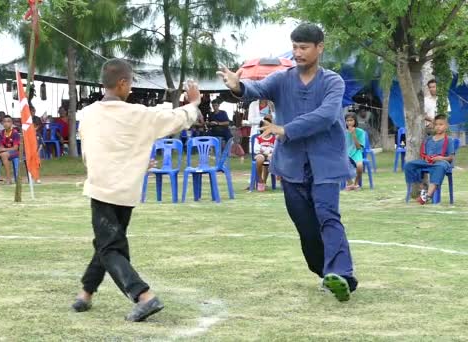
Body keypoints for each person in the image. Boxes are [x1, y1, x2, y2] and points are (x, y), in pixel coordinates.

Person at [218, 23, 358, 301]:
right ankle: (325, 272)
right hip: (292, 164)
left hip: (326, 162)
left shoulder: (333, 81)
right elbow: (255, 89)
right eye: (295, 47)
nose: (298, 52)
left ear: (319, 48)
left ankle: (343, 275)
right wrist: (238, 86)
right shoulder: (282, 79)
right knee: (305, 225)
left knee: (327, 215)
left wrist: (285, 129)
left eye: (304, 47)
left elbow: (327, 115)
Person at [73, 58, 200, 322]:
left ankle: (144, 295)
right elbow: (177, 119)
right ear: (122, 83)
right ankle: (86, 293)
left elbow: (91, 153)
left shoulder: (86, 115)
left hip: (102, 189)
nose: (130, 89)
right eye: (130, 83)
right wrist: (194, 103)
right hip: (126, 192)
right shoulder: (140, 115)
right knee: (107, 243)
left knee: (110, 247)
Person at [404, 115, 455, 205]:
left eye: (441, 124)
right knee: (409, 165)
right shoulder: (428, 139)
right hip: (427, 162)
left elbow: (451, 158)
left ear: (446, 126)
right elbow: (424, 153)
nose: (438, 127)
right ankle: (422, 188)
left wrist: (441, 158)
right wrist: (426, 158)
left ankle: (427, 196)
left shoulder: (449, 140)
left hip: (441, 162)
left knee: (440, 166)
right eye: (436, 124)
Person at [345, 113, 366, 190]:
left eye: (351, 120)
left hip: (357, 153)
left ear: (355, 121)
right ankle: (350, 183)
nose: (349, 122)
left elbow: (358, 148)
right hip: (345, 154)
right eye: (347, 121)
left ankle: (356, 183)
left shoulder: (360, 132)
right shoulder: (343, 132)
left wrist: (353, 134)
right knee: (342, 164)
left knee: (360, 166)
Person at [253, 118, 276, 191]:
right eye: (265, 126)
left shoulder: (274, 138)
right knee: (260, 159)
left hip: (270, 155)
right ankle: (260, 179)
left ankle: (265, 181)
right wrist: (267, 151)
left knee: (270, 158)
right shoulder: (258, 138)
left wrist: (266, 151)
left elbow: (275, 149)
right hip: (260, 155)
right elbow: (256, 149)